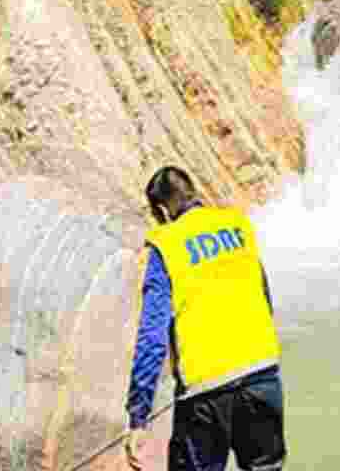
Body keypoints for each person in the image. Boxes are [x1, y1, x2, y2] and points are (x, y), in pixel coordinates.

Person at [124, 166, 285, 471]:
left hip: (205, 394)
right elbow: (264, 298)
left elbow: (152, 337)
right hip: (262, 377)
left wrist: (138, 417)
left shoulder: (166, 245)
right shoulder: (238, 225)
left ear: (162, 210)